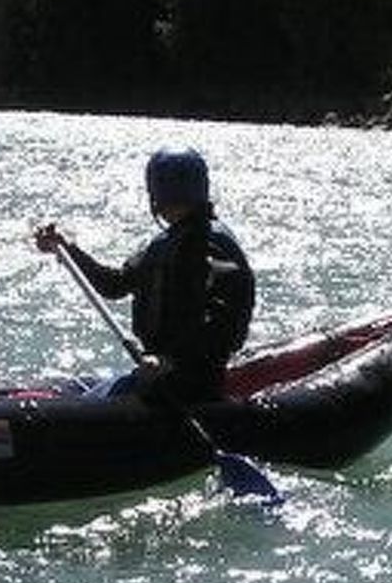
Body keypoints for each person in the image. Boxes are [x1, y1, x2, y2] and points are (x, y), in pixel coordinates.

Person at [33, 147, 255, 403]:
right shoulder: (168, 242)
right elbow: (114, 285)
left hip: (189, 382)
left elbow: (227, 317)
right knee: (91, 389)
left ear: (156, 194)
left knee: (95, 401)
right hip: (160, 375)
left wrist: (171, 360)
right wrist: (66, 249)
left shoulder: (210, 242)